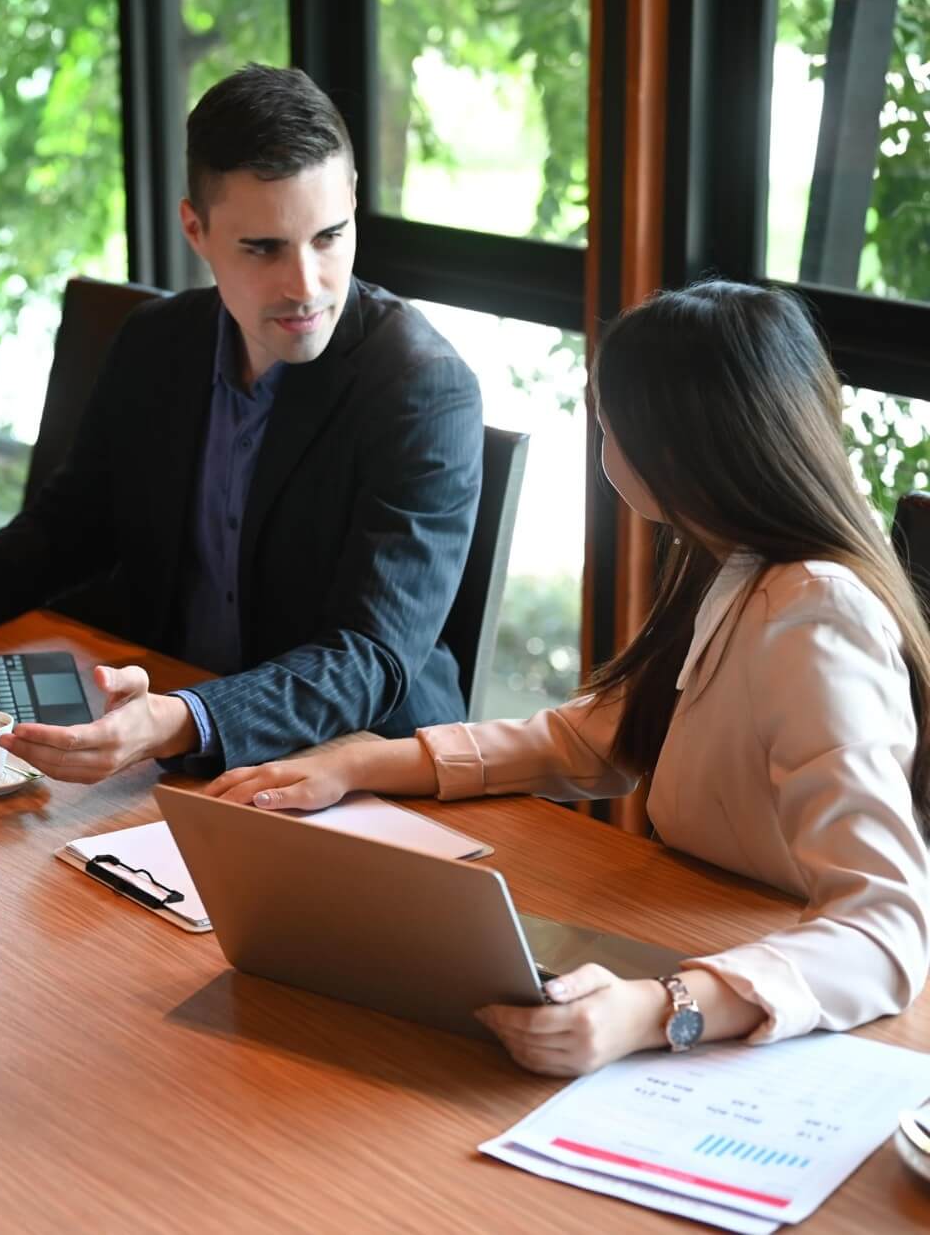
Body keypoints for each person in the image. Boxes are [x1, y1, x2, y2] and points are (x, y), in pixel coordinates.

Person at [205, 280, 930, 1075]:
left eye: (607, 428)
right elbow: (593, 738)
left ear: (675, 452)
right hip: (715, 940)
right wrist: (355, 762)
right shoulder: (736, 563)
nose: (602, 449)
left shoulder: (816, 617)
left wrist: (660, 1009)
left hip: (800, 1015)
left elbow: (887, 927)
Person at [0, 64, 483, 784]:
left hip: (366, 774)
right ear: (196, 229)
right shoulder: (157, 343)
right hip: (176, 754)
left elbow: (370, 657)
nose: (306, 284)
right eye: (264, 248)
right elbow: (72, 525)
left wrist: (183, 719)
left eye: (329, 237)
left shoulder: (423, 389)